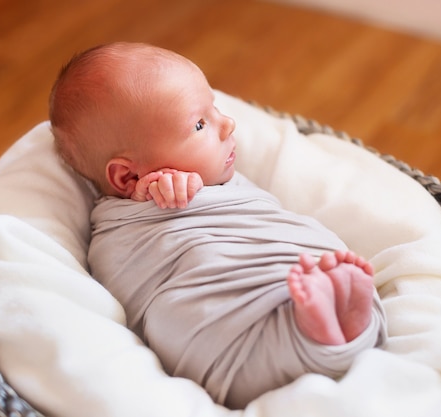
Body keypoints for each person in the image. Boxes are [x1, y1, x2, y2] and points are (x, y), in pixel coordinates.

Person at [49, 42, 387, 409]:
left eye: (215, 109)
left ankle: (332, 325)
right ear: (129, 177)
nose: (227, 124)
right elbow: (131, 283)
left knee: (315, 259)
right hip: (230, 320)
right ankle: (314, 334)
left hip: (276, 275)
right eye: (199, 124)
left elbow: (264, 222)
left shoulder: (224, 183)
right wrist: (156, 202)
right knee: (170, 319)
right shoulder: (121, 227)